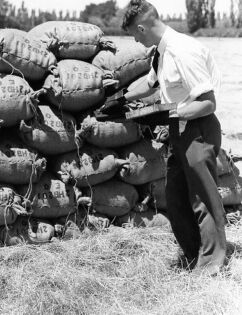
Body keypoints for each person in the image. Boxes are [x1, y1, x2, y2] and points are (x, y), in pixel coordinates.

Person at [104, 0, 226, 275]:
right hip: (180, 131)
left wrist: (168, 114)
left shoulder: (183, 51)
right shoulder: (162, 53)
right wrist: (120, 98)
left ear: (142, 27)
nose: (135, 40)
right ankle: (195, 255)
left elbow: (208, 103)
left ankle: (212, 264)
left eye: (134, 34)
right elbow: (150, 84)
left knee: (202, 197)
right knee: (177, 197)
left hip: (199, 130)